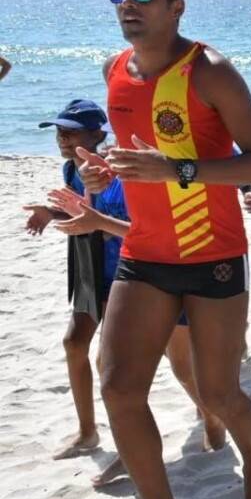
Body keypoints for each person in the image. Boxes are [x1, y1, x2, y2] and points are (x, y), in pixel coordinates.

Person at [80, 0, 251, 499]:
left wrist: (178, 172)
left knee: (219, 394)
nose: (127, 3)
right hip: (144, 252)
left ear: (177, 6)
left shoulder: (210, 72)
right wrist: (102, 169)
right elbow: (134, 154)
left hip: (213, 255)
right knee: (117, 386)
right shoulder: (116, 69)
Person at [25, 100, 224, 469]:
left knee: (180, 366)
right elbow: (83, 214)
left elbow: (146, 233)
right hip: (100, 276)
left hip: (150, 276)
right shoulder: (73, 171)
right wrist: (50, 212)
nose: (62, 139)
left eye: (71, 132)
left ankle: (211, 415)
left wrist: (97, 222)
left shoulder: (127, 175)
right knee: (79, 346)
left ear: (99, 136)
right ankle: (94, 434)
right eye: (58, 132)